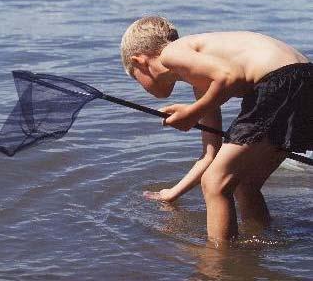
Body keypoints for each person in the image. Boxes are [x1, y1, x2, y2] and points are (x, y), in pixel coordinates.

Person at [120, 16, 313, 242]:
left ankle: (219, 264)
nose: (141, 87)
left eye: (135, 78)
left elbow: (229, 76)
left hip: (281, 80)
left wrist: (192, 113)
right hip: (302, 79)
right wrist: (172, 193)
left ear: (140, 61)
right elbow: (209, 155)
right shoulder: (203, 81)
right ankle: (261, 242)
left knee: (215, 183)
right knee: (244, 184)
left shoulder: (171, 53)